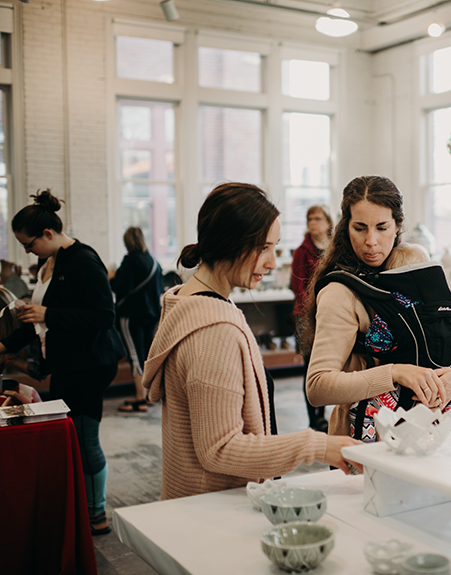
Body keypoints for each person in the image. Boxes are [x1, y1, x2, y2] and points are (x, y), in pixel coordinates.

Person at [142, 182, 361, 501]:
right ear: (228, 243)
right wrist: (318, 445)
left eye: (275, 247)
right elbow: (220, 448)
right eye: (263, 248)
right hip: (211, 509)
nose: (272, 262)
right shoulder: (213, 328)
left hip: (197, 502)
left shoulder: (187, 302)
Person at [303, 175, 451, 438]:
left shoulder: (409, 270)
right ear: (346, 227)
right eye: (360, 228)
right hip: (363, 441)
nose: (371, 241)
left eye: (382, 228)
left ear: (398, 225)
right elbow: (317, 388)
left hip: (425, 435)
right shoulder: (340, 291)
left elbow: (440, 339)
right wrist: (395, 372)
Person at [0, 189, 124, 535]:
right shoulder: (48, 263)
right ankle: (83, 505)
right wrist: (5, 343)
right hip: (69, 362)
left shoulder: (83, 259)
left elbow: (103, 315)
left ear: (49, 234)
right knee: (71, 435)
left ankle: (96, 515)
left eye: (28, 245)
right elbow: (36, 320)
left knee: (85, 437)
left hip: (91, 363)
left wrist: (48, 312)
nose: (27, 252)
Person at [110, 226, 163, 413]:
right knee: (148, 355)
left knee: (134, 355)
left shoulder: (129, 261)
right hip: (152, 314)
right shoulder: (154, 261)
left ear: (127, 242)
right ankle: (148, 396)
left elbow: (121, 288)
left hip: (131, 315)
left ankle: (140, 399)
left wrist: (111, 277)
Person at [291, 204, 333, 432]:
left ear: (328, 222)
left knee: (327, 367)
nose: (312, 222)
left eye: (317, 218)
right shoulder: (301, 251)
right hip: (307, 317)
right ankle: (313, 419)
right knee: (310, 369)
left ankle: (323, 414)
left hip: (329, 314)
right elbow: (299, 288)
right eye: (309, 219)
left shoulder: (334, 249)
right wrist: (317, 308)